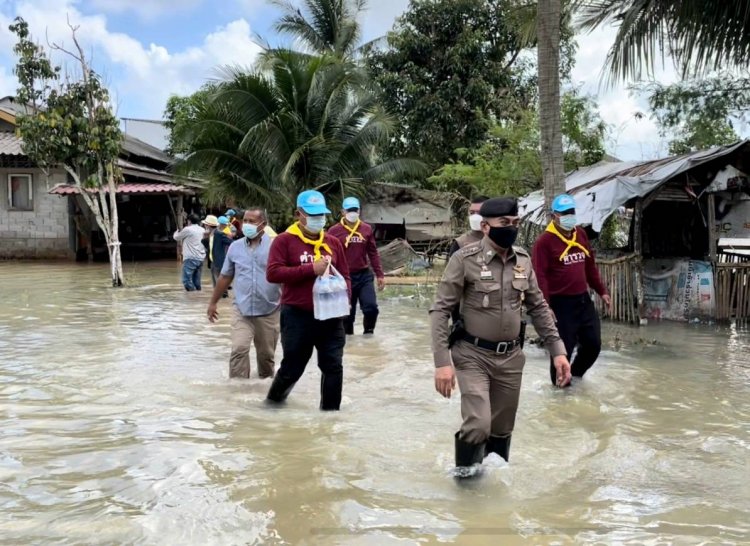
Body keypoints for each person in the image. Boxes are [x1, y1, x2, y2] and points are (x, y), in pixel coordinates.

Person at [429, 196, 571, 479]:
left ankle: (491, 490)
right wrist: (442, 362)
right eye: (503, 223)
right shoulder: (464, 260)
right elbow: (439, 310)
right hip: (472, 355)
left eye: (515, 223)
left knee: (502, 429)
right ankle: (466, 485)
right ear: (485, 227)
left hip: (510, 358)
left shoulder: (523, 260)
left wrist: (558, 350)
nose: (511, 228)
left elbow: (539, 307)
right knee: (479, 424)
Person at [265, 190, 351, 411]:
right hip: (297, 315)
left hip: (331, 316)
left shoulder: (333, 242)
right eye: (312, 214)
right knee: (293, 367)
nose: (318, 219)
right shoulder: (284, 241)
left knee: (333, 366)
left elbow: (345, 274)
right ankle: (272, 406)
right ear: (298, 214)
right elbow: (273, 273)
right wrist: (310, 269)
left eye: (321, 214)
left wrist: (346, 299)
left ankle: (330, 417)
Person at [531, 193, 611, 385]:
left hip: (582, 300)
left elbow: (590, 266)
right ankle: (559, 389)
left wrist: (602, 291)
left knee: (593, 345)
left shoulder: (580, 234)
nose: (569, 216)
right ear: (554, 216)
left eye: (571, 212)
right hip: (560, 304)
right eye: (564, 213)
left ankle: (574, 376)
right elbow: (540, 276)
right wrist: (546, 305)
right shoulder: (544, 242)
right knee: (561, 351)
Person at [207, 209, 281, 379]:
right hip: (242, 309)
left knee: (266, 358)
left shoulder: (275, 246)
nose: (247, 224)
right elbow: (225, 276)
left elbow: (283, 276)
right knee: (239, 350)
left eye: (252, 221)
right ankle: (238, 395)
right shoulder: (235, 247)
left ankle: (264, 392)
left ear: (263, 224)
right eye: (245, 220)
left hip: (269, 310)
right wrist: (213, 302)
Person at [328, 196, 385, 336]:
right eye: (349, 210)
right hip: (344, 277)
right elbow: (329, 255)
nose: (352, 213)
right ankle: (350, 344)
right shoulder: (334, 231)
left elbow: (373, 253)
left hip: (364, 275)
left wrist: (380, 275)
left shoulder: (366, 229)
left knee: (371, 308)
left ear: (359, 211)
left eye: (355, 210)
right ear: (342, 212)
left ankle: (369, 335)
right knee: (347, 314)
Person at [173, 213, 206, 291]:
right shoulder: (202, 229)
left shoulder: (188, 229)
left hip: (190, 258)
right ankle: (198, 297)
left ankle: (192, 296)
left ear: (189, 221)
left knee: (186, 280)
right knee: (197, 282)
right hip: (200, 258)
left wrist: (177, 231)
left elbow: (177, 237)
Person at [209, 216, 233, 297]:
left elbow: (231, 243)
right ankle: (220, 296)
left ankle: (223, 295)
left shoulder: (220, 234)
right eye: (225, 225)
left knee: (219, 282)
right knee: (216, 282)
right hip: (212, 260)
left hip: (219, 261)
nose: (226, 227)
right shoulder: (211, 234)